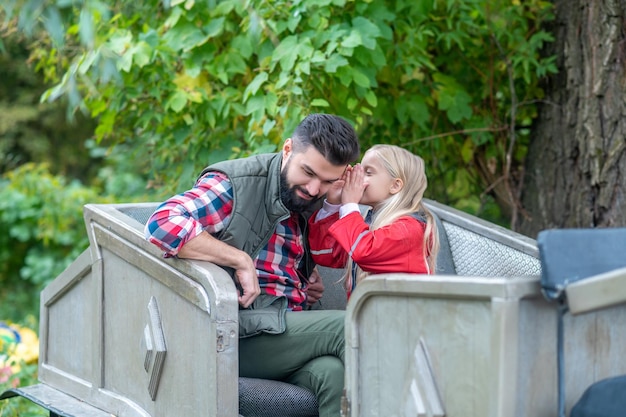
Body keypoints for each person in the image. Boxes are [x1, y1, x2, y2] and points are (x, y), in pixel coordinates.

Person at [144, 113, 360, 417]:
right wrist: (238, 259)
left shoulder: (309, 199)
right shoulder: (236, 185)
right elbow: (161, 225)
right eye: (307, 172)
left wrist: (301, 278)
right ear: (288, 150)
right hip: (232, 334)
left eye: (326, 181)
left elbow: (332, 253)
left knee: (331, 373)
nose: (313, 189)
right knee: (349, 327)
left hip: (283, 331)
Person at [309, 144, 440, 297]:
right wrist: (333, 204)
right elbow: (324, 252)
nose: (356, 177)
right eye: (358, 170)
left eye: (368, 172)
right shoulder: (369, 225)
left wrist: (349, 205)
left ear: (395, 185)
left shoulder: (410, 229)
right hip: (371, 318)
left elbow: (364, 252)